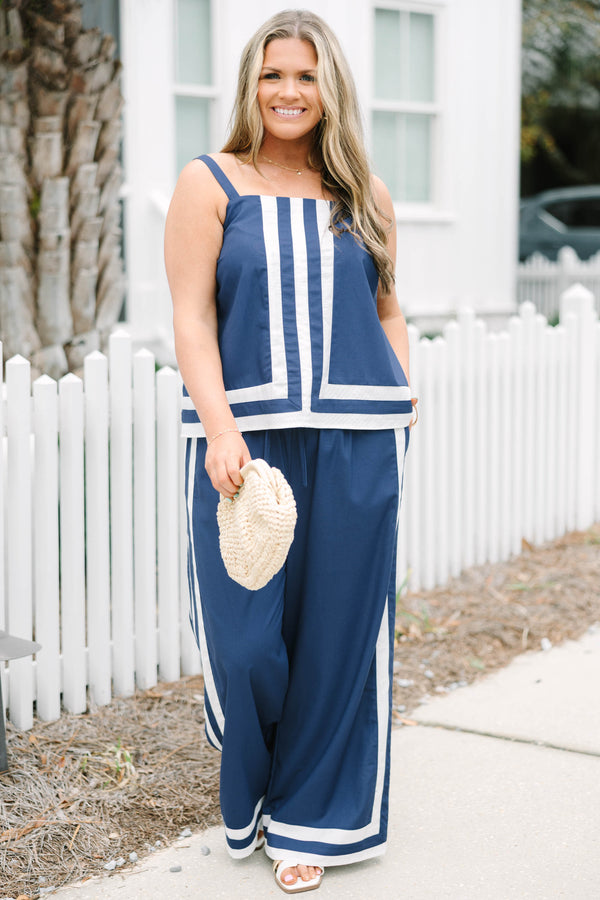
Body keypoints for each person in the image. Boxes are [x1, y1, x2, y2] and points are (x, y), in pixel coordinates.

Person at [164, 8, 416, 894]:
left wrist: (402, 396)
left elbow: (388, 311)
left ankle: (312, 820)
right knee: (246, 645)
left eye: (306, 76)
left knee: (339, 642)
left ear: (329, 87)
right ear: (251, 84)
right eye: (274, 75)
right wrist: (221, 428)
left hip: (357, 444)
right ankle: (259, 782)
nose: (289, 91)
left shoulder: (365, 197)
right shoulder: (210, 183)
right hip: (248, 447)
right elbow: (193, 316)